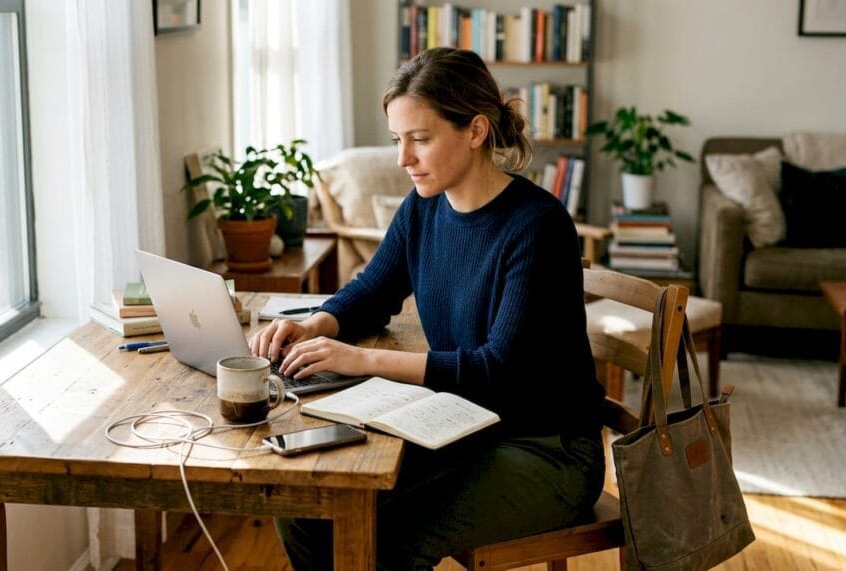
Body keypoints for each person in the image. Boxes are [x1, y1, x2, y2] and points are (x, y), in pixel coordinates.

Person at [250, 47, 606, 570]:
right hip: (463, 421)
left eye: (419, 139)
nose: (403, 159)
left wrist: (362, 359)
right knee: (305, 504)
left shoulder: (537, 226)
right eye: (397, 140)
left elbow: (498, 370)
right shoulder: (423, 207)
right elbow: (374, 289)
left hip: (547, 448)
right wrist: (313, 324)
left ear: (476, 130)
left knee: (391, 535)